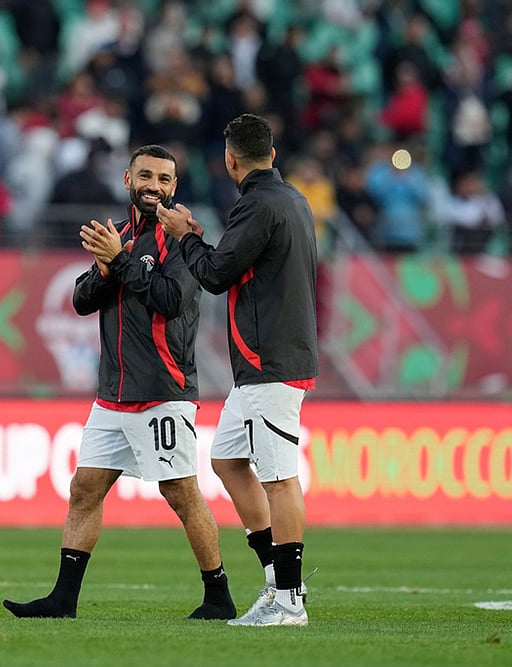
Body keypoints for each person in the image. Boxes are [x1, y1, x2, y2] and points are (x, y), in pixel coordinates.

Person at [3, 145, 236, 621]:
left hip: (162, 392)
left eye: (165, 179)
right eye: (146, 175)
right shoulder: (121, 234)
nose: (154, 185)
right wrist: (108, 267)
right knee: (84, 488)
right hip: (112, 393)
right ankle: (63, 600)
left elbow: (171, 300)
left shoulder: (185, 238)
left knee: (181, 494)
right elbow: (82, 300)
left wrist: (122, 264)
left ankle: (219, 596)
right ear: (129, 178)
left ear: (175, 187)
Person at [157, 113, 318, 627]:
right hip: (268, 362)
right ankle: (277, 580)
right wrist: (203, 241)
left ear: (230, 160)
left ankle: (290, 600)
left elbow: (213, 275)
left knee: (279, 479)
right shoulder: (292, 200)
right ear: (272, 153)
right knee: (228, 460)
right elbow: (231, 261)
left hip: (269, 360)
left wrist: (184, 236)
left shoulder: (257, 205)